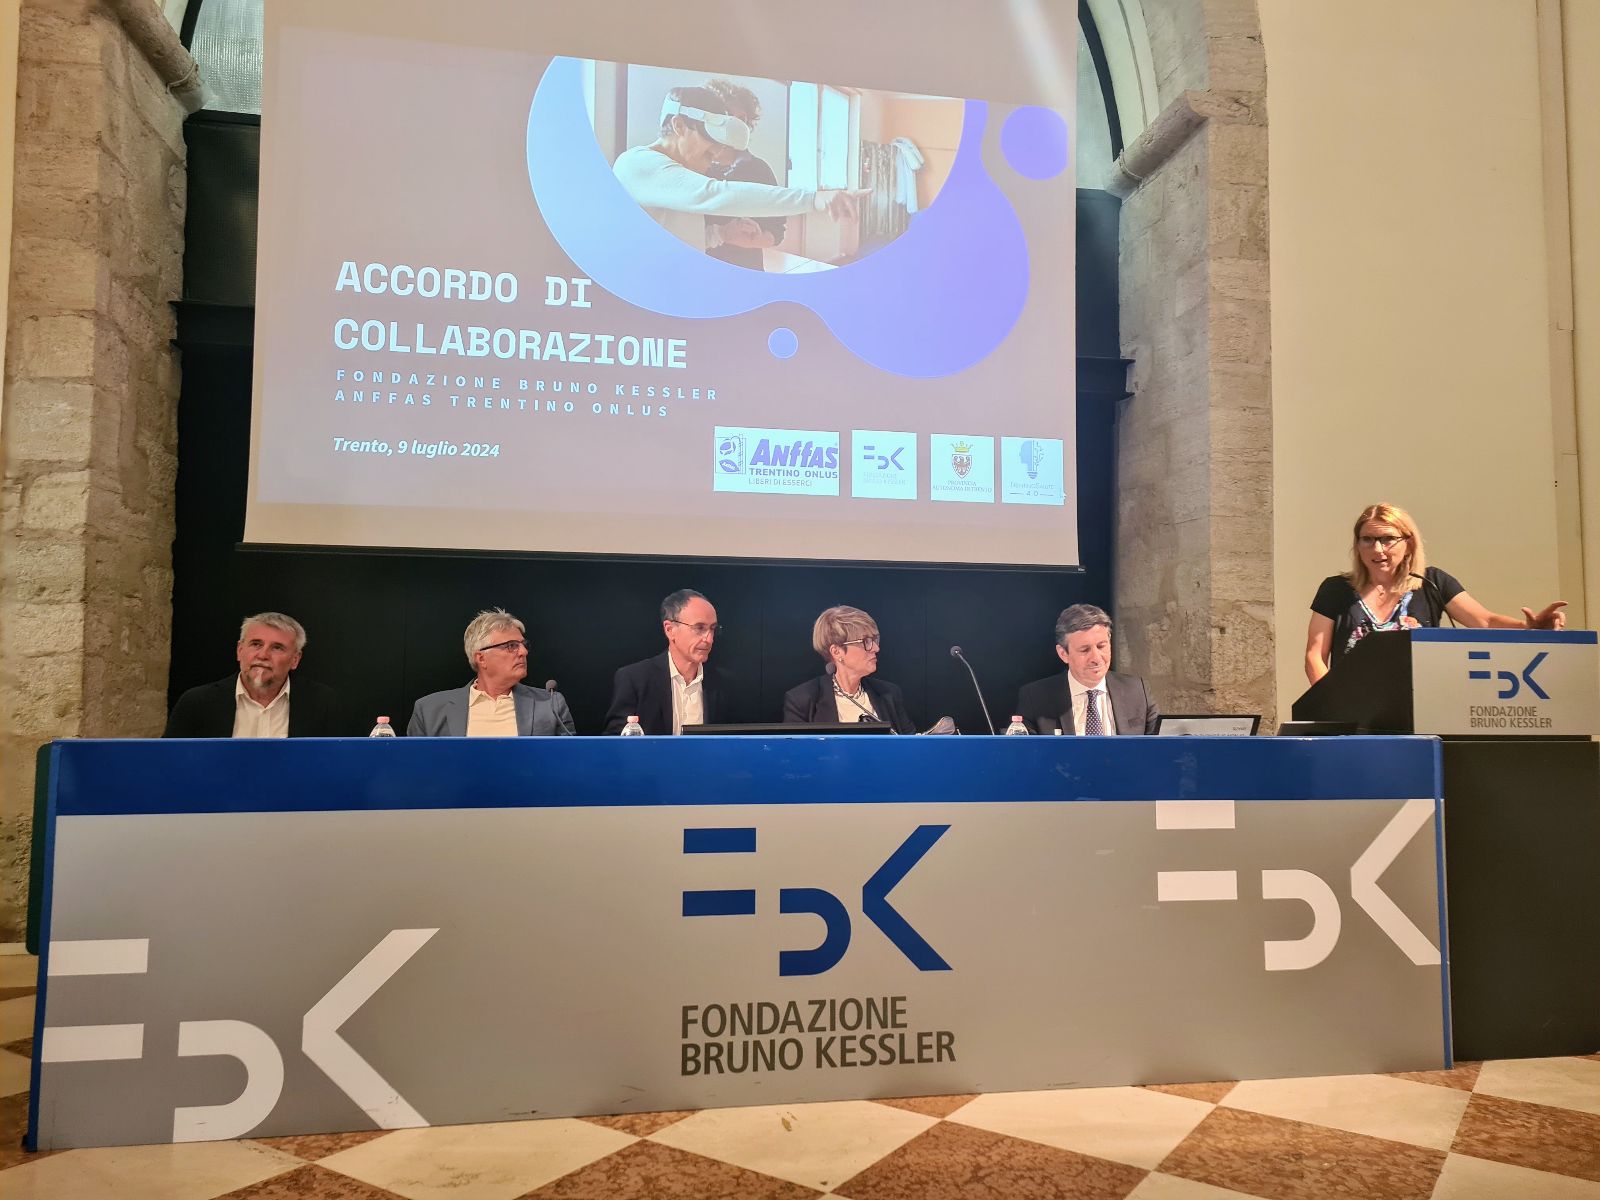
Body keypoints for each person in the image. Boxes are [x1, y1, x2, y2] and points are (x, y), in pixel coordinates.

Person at [1304, 502, 1567, 684]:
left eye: (1387, 539)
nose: (1378, 549)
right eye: (1368, 539)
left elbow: (1484, 621)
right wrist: (1333, 701)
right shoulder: (1336, 589)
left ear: (1408, 543)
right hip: (1352, 709)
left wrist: (1530, 629)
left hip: (1421, 706)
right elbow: (1315, 655)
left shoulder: (1432, 583)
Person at [612, 85, 859, 256]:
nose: (718, 150)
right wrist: (813, 199)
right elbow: (714, 194)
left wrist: (721, 234)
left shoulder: (685, 174)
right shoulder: (635, 163)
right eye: (711, 137)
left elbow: (677, 237)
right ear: (679, 125)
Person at [163, 612, 340, 738]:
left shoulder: (322, 704)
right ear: (240, 651)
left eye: (277, 648)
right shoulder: (198, 703)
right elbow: (170, 765)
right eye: (256, 644)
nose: (263, 655)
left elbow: (336, 766)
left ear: (295, 659)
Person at [407, 609, 575, 737]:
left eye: (523, 645)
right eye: (511, 646)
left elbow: (569, 761)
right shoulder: (429, 710)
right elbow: (414, 766)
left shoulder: (550, 704)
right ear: (481, 658)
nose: (523, 652)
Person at [1015, 603, 1159, 735]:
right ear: (1063, 654)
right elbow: (1024, 751)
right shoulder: (1036, 698)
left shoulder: (1137, 691)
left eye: (1101, 646)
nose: (1096, 658)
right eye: (1084, 650)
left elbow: (1158, 747)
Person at [602, 589, 729, 735]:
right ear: (670, 630)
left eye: (713, 629)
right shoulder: (635, 679)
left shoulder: (724, 684)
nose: (709, 639)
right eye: (699, 628)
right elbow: (614, 740)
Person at [782, 606, 917, 733]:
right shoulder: (803, 700)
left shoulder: (889, 693)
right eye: (866, 641)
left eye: (875, 640)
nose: (876, 648)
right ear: (836, 652)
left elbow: (911, 744)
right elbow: (795, 749)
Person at [703, 79, 786, 270]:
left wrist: (755, 239)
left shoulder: (759, 170)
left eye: (742, 119)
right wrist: (721, 234)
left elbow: (777, 229)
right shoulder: (692, 167)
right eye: (728, 116)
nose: (737, 126)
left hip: (748, 271)